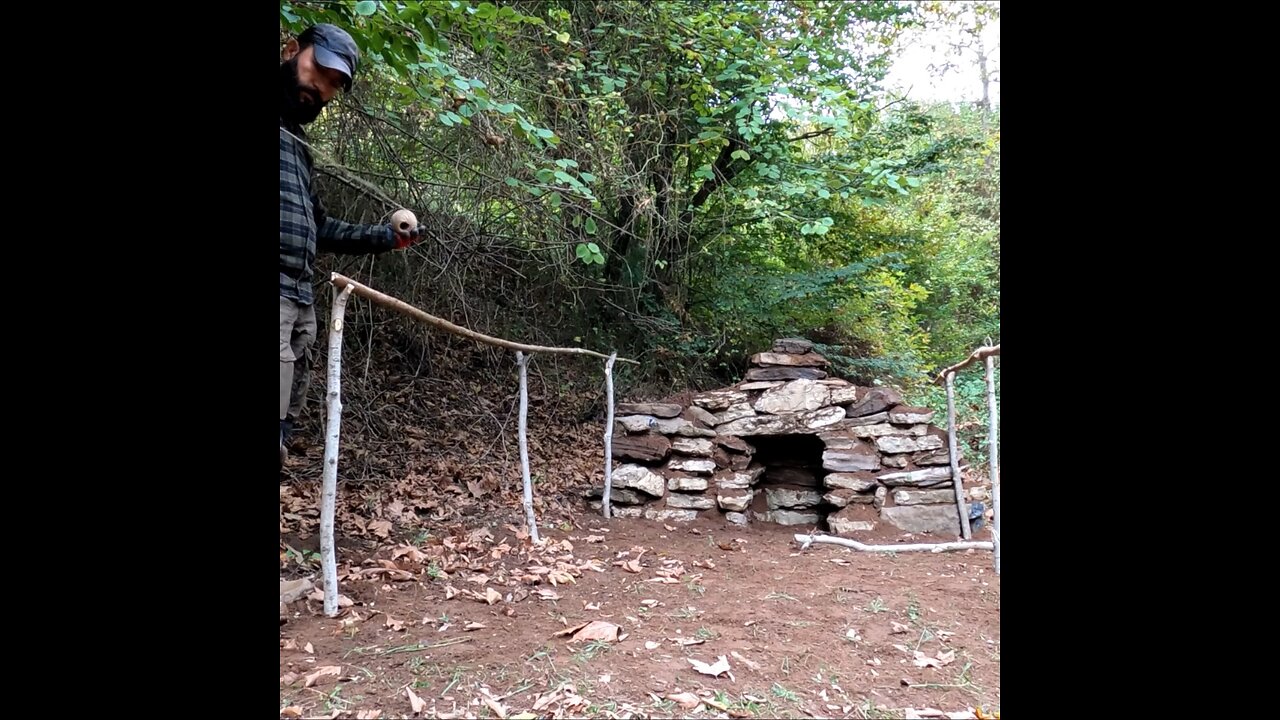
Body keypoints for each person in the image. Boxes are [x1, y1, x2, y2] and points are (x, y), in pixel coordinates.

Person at [280, 23, 422, 467]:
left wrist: (388, 237)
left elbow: (319, 228)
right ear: (290, 50)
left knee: (283, 434)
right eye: (319, 70)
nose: (323, 87)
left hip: (299, 302)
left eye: (335, 84)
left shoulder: (295, 142)